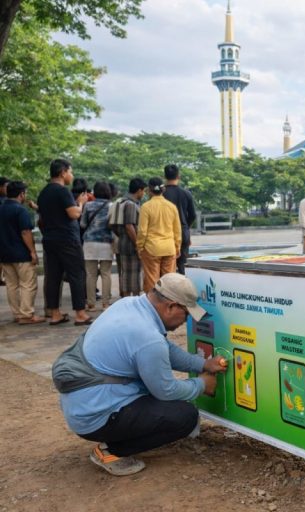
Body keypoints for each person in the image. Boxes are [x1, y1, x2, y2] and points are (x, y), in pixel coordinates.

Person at [56, 273, 227, 476]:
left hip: (82, 404)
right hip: (94, 417)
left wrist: (202, 364)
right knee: (185, 416)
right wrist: (201, 384)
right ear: (171, 306)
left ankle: (126, 433)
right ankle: (110, 452)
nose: (187, 320)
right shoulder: (147, 336)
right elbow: (167, 391)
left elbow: (164, 348)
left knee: (161, 401)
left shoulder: (129, 305)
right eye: (187, 314)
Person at [37, 159, 91, 326]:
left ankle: (55, 314)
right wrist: (81, 204)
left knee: (53, 276)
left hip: (50, 239)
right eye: (70, 171)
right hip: (67, 239)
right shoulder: (62, 191)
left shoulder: (44, 192)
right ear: (62, 173)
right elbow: (74, 214)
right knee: (77, 274)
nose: (71, 175)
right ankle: (80, 314)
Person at [0, 181, 44, 324]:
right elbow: (25, 232)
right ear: (21, 194)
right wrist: (32, 252)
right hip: (21, 254)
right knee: (27, 284)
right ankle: (26, 314)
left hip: (5, 254)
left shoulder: (1, 208)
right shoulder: (20, 210)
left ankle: (17, 314)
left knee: (12, 285)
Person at [137, 177, 181, 293]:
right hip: (169, 247)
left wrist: (140, 247)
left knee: (152, 281)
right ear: (163, 189)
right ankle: (168, 306)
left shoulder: (146, 207)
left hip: (152, 248)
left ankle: (152, 307)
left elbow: (142, 231)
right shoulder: (172, 207)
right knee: (169, 281)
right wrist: (177, 246)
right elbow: (177, 230)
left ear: (149, 190)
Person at [111, 178, 146, 297]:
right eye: (143, 191)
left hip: (123, 242)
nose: (144, 193)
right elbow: (129, 226)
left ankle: (126, 299)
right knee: (133, 274)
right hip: (131, 244)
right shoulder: (131, 204)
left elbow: (112, 224)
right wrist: (137, 244)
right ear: (139, 190)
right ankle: (132, 300)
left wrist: (120, 236)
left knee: (126, 272)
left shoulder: (121, 202)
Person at [81, 182, 113, 311]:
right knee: (106, 273)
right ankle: (105, 304)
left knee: (90, 274)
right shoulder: (112, 206)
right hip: (106, 242)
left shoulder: (88, 205)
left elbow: (82, 224)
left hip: (90, 242)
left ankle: (91, 304)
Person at [162, 164, 197, 274]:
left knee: (166, 267)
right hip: (182, 233)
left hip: (165, 233)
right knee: (182, 265)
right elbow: (193, 215)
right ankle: (182, 289)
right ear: (179, 176)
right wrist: (186, 227)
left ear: (164, 176)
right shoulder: (186, 193)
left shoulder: (161, 194)